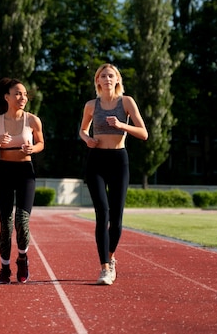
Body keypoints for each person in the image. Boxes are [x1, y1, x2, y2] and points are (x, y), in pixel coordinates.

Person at [79, 63, 148, 285]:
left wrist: (121, 125)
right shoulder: (91, 105)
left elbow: (144, 133)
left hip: (119, 160)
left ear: (117, 79)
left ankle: (110, 257)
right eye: (103, 76)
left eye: (111, 75)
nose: (107, 78)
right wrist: (87, 139)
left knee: (116, 219)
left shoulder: (126, 102)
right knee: (102, 213)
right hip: (96, 161)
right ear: (97, 81)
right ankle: (105, 268)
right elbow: (82, 129)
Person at [0, 78, 44, 284]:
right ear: (6, 97)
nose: (23, 97)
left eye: (25, 94)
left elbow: (41, 143)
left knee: (22, 222)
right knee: (6, 225)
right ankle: (5, 268)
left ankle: (23, 258)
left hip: (26, 172)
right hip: (4, 173)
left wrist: (32, 148)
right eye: (18, 93)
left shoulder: (33, 120)